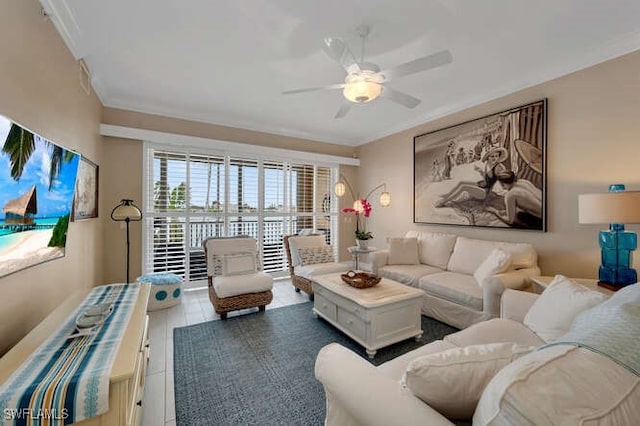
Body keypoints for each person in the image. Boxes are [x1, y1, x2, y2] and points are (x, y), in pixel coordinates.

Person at [434, 147, 508, 207]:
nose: (494, 158)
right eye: (492, 156)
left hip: (485, 192)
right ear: (488, 157)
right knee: (461, 183)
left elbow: (503, 181)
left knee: (464, 187)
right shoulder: (488, 163)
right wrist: (480, 171)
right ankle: (447, 195)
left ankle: (443, 202)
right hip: (483, 185)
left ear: (499, 157)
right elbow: (487, 178)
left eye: (496, 156)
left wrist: (503, 189)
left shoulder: (499, 167)